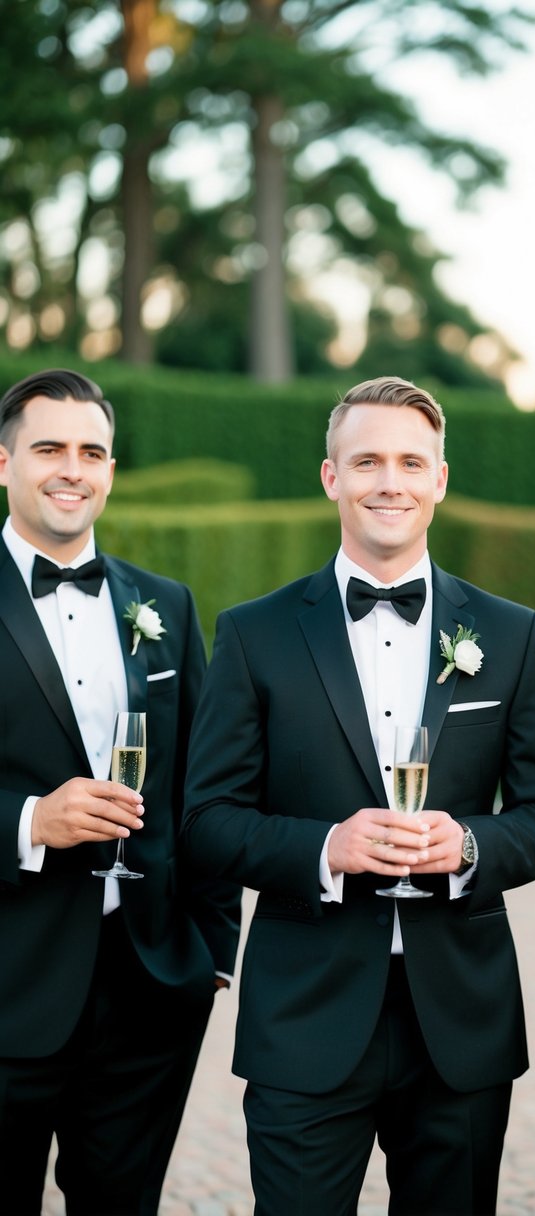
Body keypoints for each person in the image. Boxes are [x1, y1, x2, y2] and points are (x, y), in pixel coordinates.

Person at [181, 374, 535, 1216]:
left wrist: (470, 846)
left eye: (410, 461)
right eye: (366, 461)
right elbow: (206, 823)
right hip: (303, 1020)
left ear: (439, 478)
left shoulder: (510, 634)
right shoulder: (254, 634)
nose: (388, 481)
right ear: (332, 477)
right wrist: (324, 848)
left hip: (461, 1024)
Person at [0, 368, 241, 1216]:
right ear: (3, 462)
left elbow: (204, 786)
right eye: (50, 448)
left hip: (149, 990)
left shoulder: (164, 605)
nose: (73, 468)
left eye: (93, 451)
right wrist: (31, 820)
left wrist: (212, 949)